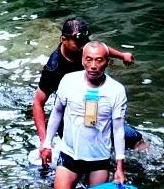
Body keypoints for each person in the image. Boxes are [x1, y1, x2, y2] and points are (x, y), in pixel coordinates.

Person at [43, 39, 128, 189]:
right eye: (88, 59)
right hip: (69, 155)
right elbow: (57, 112)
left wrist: (120, 167)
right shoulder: (68, 81)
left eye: (99, 60)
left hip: (99, 160)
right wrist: (46, 144)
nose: (93, 65)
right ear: (82, 60)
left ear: (108, 62)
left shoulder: (116, 90)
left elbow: (118, 129)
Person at [30, 17, 132, 151]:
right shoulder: (53, 68)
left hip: (90, 99)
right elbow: (38, 103)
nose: (83, 47)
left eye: (84, 42)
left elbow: (101, 49)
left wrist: (122, 55)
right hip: (69, 109)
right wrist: (44, 143)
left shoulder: (82, 45)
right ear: (63, 40)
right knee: (83, 147)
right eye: (78, 43)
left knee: (129, 138)